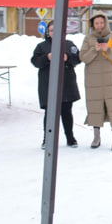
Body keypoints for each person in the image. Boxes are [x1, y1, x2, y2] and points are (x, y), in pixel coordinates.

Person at [31, 20, 81, 148]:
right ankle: (47, 139)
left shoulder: (69, 44)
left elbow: (78, 58)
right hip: (48, 85)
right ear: (48, 32)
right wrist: (46, 58)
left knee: (66, 112)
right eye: (52, 30)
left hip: (66, 84)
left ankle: (70, 138)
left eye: (57, 30)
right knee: (50, 113)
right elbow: (35, 61)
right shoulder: (41, 47)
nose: (54, 32)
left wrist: (67, 58)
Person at [80, 13, 112, 151]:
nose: (99, 25)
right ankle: (96, 137)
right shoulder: (88, 38)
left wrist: (107, 49)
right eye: (96, 23)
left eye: (101, 22)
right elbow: (83, 57)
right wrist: (95, 49)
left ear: (105, 23)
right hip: (93, 80)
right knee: (95, 108)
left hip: (111, 79)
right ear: (92, 24)